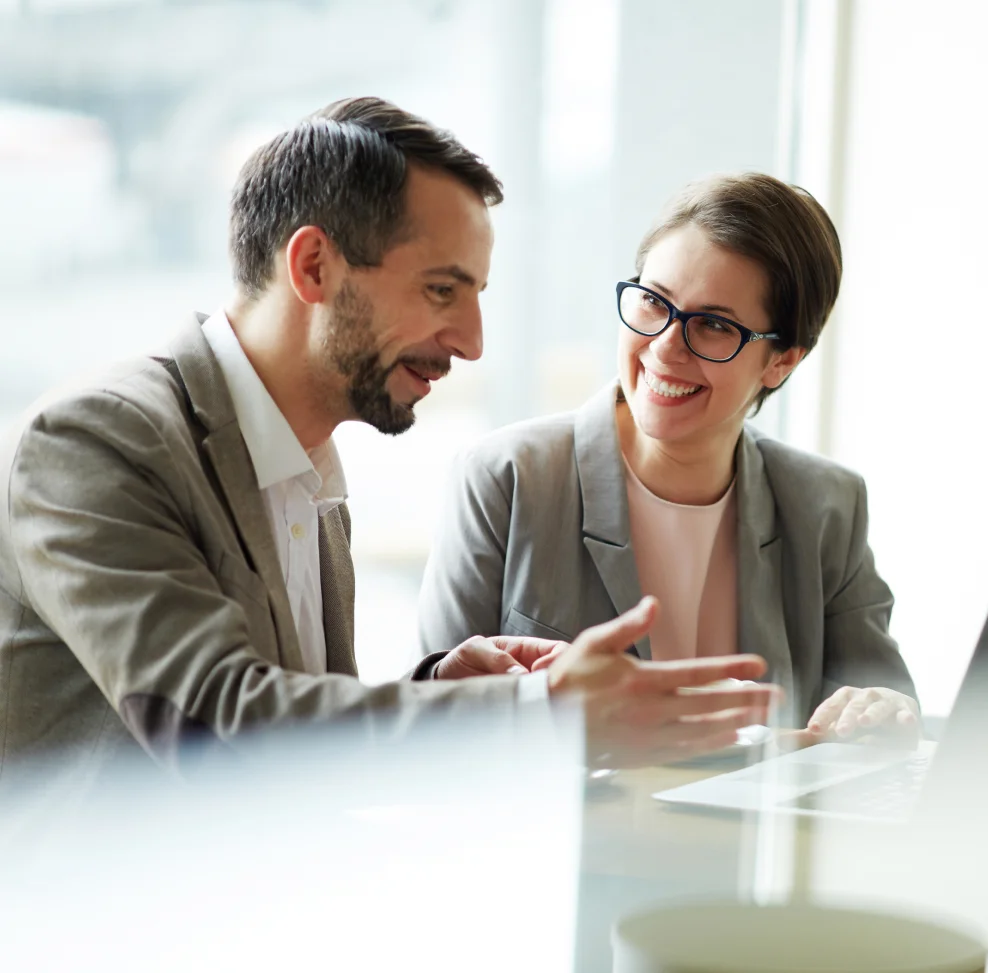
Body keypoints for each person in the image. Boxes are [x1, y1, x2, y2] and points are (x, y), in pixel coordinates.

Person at [0, 98, 779, 813]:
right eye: (443, 291)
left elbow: (293, 729)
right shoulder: (94, 441)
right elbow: (215, 727)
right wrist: (535, 715)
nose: (472, 342)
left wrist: (439, 688)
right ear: (312, 267)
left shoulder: (303, 460)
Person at [416, 172, 918, 747]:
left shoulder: (827, 504)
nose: (664, 347)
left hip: (754, 835)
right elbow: (428, 725)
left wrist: (880, 712)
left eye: (712, 325)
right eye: (655, 303)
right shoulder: (507, 478)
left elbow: (883, 710)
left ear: (781, 362)